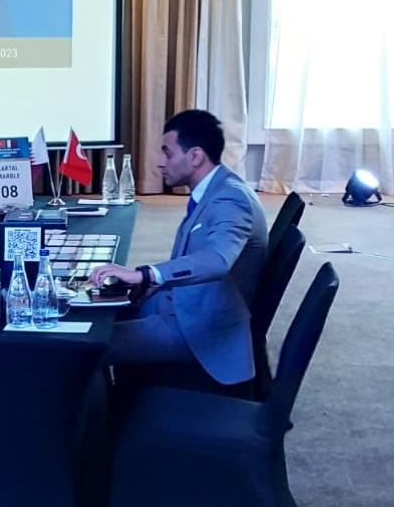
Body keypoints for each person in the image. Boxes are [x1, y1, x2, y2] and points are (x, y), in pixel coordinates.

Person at [89, 109, 268, 385]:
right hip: (182, 302)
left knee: (87, 347)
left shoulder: (231, 200)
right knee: (95, 315)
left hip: (199, 326)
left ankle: (101, 413)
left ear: (195, 156)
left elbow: (217, 260)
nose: (160, 163)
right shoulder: (213, 188)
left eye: (168, 154)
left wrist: (146, 274)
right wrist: (154, 283)